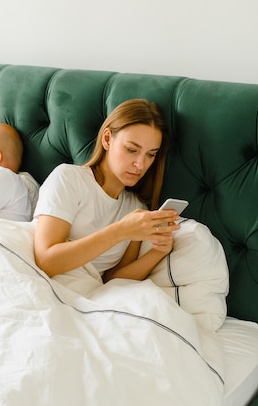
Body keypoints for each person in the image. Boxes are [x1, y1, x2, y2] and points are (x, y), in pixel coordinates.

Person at [33, 99, 181, 293]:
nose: (140, 164)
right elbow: (46, 261)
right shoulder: (70, 178)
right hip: (45, 284)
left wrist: (158, 252)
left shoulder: (136, 209)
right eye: (131, 150)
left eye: (150, 154)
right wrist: (121, 231)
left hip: (88, 292)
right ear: (107, 139)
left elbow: (112, 279)